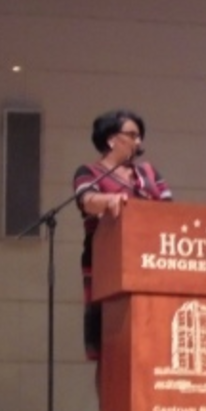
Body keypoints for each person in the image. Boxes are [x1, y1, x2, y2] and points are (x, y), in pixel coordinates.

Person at [73, 110, 172, 363]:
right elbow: (87, 200)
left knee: (150, 345)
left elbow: (170, 211)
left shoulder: (149, 173)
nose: (138, 142)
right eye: (132, 135)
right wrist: (108, 200)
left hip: (151, 263)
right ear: (111, 139)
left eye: (140, 136)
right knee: (110, 350)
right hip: (106, 266)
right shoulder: (89, 171)